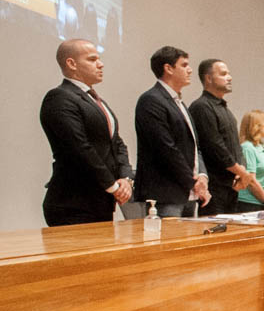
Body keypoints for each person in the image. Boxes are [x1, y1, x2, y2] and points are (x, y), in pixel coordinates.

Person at [39, 39, 133, 226]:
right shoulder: (59, 98)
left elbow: (117, 143)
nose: (100, 64)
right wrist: (113, 186)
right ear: (71, 64)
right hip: (73, 203)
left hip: (100, 202)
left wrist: (126, 178)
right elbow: (79, 148)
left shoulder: (95, 99)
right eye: (92, 59)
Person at [133, 46, 210, 216]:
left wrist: (202, 176)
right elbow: (165, 148)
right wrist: (193, 182)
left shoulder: (179, 103)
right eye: (184, 65)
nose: (190, 70)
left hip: (188, 193)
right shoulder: (151, 100)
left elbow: (195, 147)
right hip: (165, 195)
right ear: (168, 68)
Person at [189, 59, 250, 215]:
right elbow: (214, 147)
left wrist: (241, 170)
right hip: (213, 186)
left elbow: (235, 146)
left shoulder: (226, 110)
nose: (229, 77)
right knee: (214, 227)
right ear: (208, 78)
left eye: (228, 73)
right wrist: (241, 172)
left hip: (231, 185)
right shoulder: (201, 106)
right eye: (223, 74)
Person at [236, 110, 264, 211]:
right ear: (256, 126)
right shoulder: (247, 148)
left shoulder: (263, 147)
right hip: (251, 204)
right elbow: (250, 180)